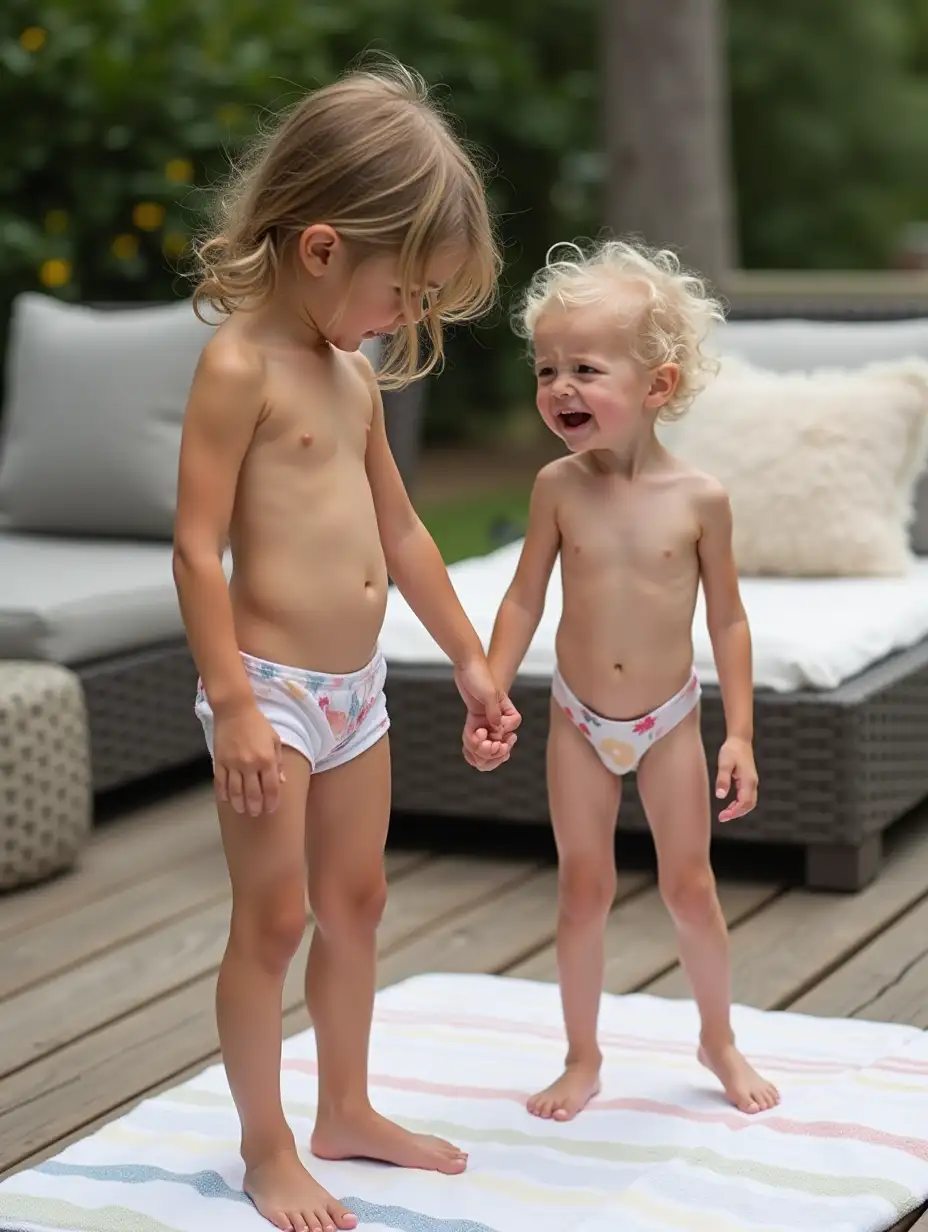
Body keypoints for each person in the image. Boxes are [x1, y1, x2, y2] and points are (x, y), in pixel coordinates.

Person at [173, 61, 519, 1232]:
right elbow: (194, 548)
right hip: (269, 691)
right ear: (322, 249)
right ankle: (268, 1146)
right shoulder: (237, 367)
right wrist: (231, 704)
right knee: (272, 919)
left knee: (356, 899)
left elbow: (406, 530)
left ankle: (347, 1107)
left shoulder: (353, 373)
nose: (406, 320)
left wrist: (470, 656)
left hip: (357, 691)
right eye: (404, 292)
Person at [478, 239, 780, 1123]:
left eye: (586, 368)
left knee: (690, 887)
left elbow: (727, 617)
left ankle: (717, 1039)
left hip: (669, 722)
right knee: (583, 888)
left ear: (656, 386)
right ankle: (581, 1055)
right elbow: (525, 595)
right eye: (546, 370)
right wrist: (493, 682)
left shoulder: (700, 500)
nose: (560, 387)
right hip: (576, 719)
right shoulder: (555, 488)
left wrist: (742, 733)